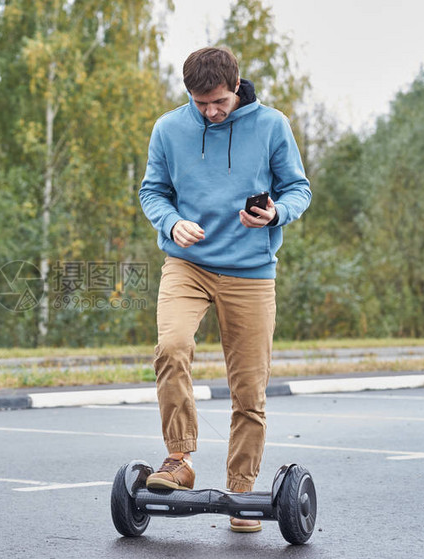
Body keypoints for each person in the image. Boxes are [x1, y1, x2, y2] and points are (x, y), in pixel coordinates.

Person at [138, 46, 311, 533]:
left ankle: (241, 488)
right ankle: (179, 459)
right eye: (200, 103)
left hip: (251, 271)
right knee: (171, 347)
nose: (211, 112)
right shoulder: (169, 129)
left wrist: (276, 213)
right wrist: (172, 224)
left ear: (237, 87)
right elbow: (153, 191)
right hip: (187, 264)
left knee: (248, 388)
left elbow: (299, 188)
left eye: (219, 101)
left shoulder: (271, 125)